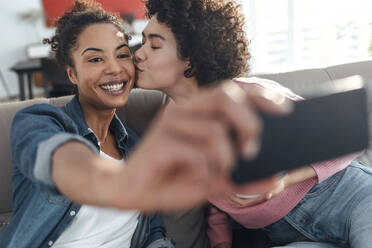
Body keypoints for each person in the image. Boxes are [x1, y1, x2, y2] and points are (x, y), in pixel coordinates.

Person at [0, 1, 292, 247]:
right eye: (95, 59)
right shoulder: (40, 121)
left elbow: (154, 232)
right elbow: (63, 163)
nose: (114, 68)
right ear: (72, 74)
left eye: (122, 54)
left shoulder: (140, 147)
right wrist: (116, 182)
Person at [134, 0, 372, 247]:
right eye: (142, 43)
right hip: (289, 235)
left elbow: (344, 140)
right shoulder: (173, 131)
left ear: (190, 59)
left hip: (348, 198)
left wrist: (284, 182)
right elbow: (215, 200)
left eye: (154, 45)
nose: (139, 54)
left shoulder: (251, 96)